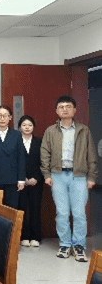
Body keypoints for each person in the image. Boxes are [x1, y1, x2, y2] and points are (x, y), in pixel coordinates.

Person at [41, 95, 98, 262]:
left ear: (74, 110)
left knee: (79, 213)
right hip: (57, 175)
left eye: (68, 106)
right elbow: (45, 153)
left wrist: (92, 176)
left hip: (79, 176)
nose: (65, 109)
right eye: (61, 107)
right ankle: (65, 244)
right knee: (62, 212)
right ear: (56, 111)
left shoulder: (83, 130)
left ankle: (79, 246)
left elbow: (91, 155)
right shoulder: (50, 131)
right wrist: (47, 174)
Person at [18, 115, 43, 248]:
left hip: (36, 181)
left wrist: (36, 178)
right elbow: (14, 162)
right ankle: (24, 236)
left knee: (35, 208)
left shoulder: (39, 141)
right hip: (20, 181)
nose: (27, 127)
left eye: (30, 125)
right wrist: (23, 178)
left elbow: (44, 161)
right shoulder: (16, 141)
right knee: (22, 208)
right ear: (19, 127)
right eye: (24, 125)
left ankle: (35, 236)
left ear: (33, 127)